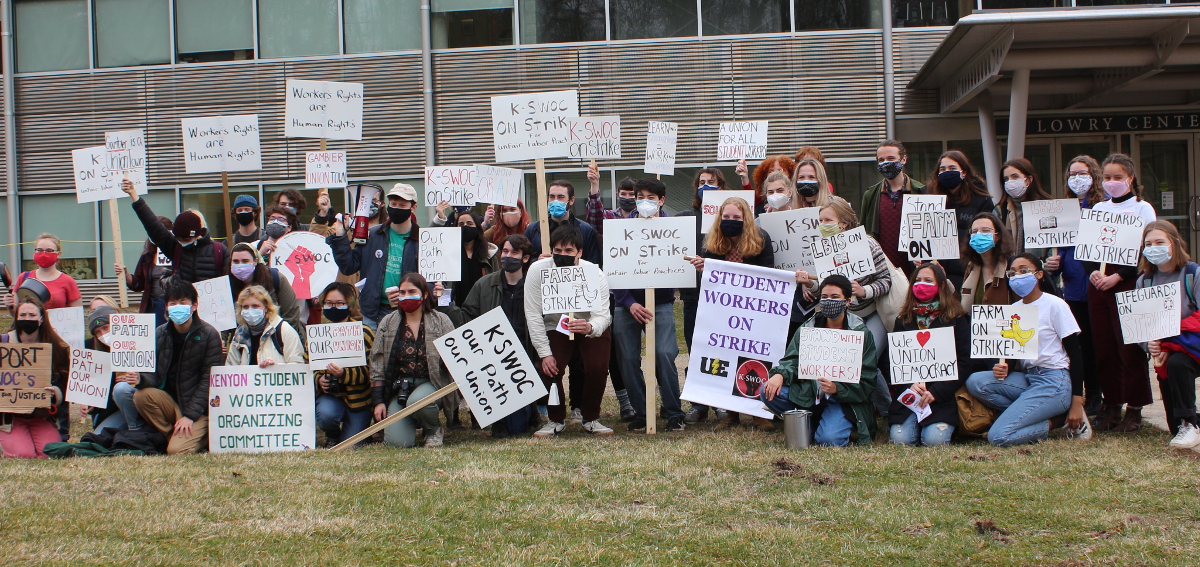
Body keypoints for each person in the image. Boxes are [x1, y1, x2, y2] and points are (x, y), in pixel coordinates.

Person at [966, 254, 1090, 447]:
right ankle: (1038, 414)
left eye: (1024, 271)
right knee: (976, 382)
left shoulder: (1055, 305)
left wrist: (1076, 401)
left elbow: (1076, 354)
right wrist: (1005, 367)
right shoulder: (1014, 308)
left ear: (1039, 274)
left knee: (998, 436)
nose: (1017, 276)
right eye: (1012, 273)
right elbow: (1016, 354)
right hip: (1029, 378)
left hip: (1055, 381)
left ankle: (1055, 421)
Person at [688, 195, 776, 431]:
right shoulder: (711, 241)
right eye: (726, 217)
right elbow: (710, 281)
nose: (730, 221)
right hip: (723, 310)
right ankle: (731, 413)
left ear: (746, 218)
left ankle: (758, 413)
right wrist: (703, 269)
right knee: (726, 357)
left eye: (736, 217)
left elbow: (769, 273)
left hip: (754, 309)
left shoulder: (761, 238)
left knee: (754, 360)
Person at [761, 275, 878, 446]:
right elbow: (793, 360)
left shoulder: (861, 334)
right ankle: (814, 420)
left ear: (847, 301)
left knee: (829, 441)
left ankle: (826, 424)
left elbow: (867, 381)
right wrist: (780, 375)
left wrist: (838, 388)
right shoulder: (808, 327)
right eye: (824, 297)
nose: (828, 301)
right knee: (768, 390)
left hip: (842, 400)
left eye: (835, 297)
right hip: (809, 394)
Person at [1087, 153, 1158, 432]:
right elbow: (1088, 247)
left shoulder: (1143, 209)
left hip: (1128, 281)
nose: (1112, 182)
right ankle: (1112, 404)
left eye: (1118, 177)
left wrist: (1119, 276)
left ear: (1130, 179)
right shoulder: (1098, 209)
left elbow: (1145, 249)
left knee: (1130, 347)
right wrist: (1093, 272)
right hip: (1099, 285)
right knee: (1104, 347)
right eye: (1107, 178)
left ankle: (1135, 408)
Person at [525, 226, 615, 437]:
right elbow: (533, 314)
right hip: (555, 325)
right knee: (549, 369)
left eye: (568, 251)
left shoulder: (595, 273)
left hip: (588, 324)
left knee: (597, 367)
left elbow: (604, 314)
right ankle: (555, 419)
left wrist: (591, 327)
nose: (562, 255)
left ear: (580, 253)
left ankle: (590, 417)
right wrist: (545, 354)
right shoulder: (537, 271)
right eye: (557, 251)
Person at [611, 179, 685, 433]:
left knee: (665, 355)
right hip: (626, 305)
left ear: (662, 200)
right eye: (640, 196)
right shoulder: (620, 227)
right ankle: (642, 412)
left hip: (661, 304)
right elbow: (615, 270)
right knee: (628, 358)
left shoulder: (674, 228)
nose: (644, 201)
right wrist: (629, 303)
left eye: (650, 197)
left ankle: (674, 411)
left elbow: (679, 268)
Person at [881, 263, 979, 446]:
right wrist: (910, 384)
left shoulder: (956, 318)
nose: (921, 284)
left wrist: (936, 392)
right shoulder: (903, 320)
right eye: (917, 280)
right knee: (901, 441)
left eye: (928, 280)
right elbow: (890, 361)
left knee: (934, 441)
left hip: (942, 396)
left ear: (941, 285)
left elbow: (965, 362)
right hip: (909, 397)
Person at [812, 196, 892, 416]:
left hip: (874, 313)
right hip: (845, 316)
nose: (823, 225)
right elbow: (822, 287)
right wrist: (809, 283)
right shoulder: (823, 249)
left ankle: (888, 412)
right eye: (820, 220)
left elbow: (886, 281)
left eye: (828, 220)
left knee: (867, 360)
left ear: (844, 223)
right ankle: (865, 410)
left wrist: (864, 291)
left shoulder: (868, 244)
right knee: (851, 363)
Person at [1044, 155, 1108, 415]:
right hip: (1072, 286)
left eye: (1082, 173)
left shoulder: (1104, 207)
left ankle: (1101, 395)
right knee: (1081, 345)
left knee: (1098, 343)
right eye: (1072, 174)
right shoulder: (1064, 209)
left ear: (1093, 176)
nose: (1077, 179)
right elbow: (1059, 245)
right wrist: (1052, 262)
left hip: (1096, 283)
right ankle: (1087, 393)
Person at [132, 280, 224, 455]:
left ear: (194, 306)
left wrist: (190, 416)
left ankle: (196, 437)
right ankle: (172, 435)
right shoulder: (159, 333)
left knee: (176, 451)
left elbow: (209, 380)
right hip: (172, 402)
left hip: (199, 408)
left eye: (183, 302)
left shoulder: (209, 334)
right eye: (172, 303)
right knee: (141, 395)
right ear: (166, 307)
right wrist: (140, 378)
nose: (177, 307)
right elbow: (155, 373)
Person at [462, 235, 538, 437]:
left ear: (525, 258)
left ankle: (530, 410)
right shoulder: (484, 285)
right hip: (493, 360)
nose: (507, 256)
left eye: (514, 253)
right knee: (502, 431)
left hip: (526, 359)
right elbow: (467, 316)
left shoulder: (535, 286)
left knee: (518, 429)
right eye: (505, 251)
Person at [369, 273, 456, 448]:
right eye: (402, 292)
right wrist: (378, 401)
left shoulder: (441, 321)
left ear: (424, 294)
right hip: (400, 387)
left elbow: (455, 355)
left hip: (431, 384)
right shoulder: (388, 322)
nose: (406, 296)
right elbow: (377, 362)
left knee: (418, 401)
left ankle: (433, 429)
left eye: (412, 291)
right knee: (396, 443)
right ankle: (415, 421)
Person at [328, 183, 422, 330]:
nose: (396, 208)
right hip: (373, 313)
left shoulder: (422, 240)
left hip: (410, 313)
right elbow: (348, 266)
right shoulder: (372, 235)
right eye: (393, 204)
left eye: (402, 205)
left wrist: (407, 295)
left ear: (413, 207)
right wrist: (340, 236)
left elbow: (430, 280)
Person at [679, 168, 733, 424]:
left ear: (722, 187)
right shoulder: (686, 218)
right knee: (696, 350)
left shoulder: (730, 220)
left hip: (722, 298)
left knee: (721, 351)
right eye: (702, 182)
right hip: (693, 296)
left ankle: (721, 403)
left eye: (711, 182)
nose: (706, 186)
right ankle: (698, 405)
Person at [1139, 221, 1200, 448]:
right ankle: (1185, 422)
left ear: (1174, 244)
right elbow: (1141, 324)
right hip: (1165, 352)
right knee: (1172, 427)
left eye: (1159, 242)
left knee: (1177, 364)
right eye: (1148, 243)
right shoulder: (1144, 281)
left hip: (1192, 347)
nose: (1154, 247)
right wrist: (1149, 345)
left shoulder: (1193, 274)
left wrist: (1168, 342)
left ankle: (1189, 423)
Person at [0, 297, 70, 458]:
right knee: (23, 454)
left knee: (50, 452)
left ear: (41, 318)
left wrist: (55, 393)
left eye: (32, 315)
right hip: (10, 418)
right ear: (16, 317)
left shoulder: (57, 348)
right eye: (22, 315)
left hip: (41, 415)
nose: (27, 319)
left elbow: (65, 383)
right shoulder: (4, 344)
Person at [122, 179, 228, 284]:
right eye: (179, 238)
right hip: (182, 300)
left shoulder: (219, 250)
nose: (182, 242)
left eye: (186, 238)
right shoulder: (176, 248)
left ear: (198, 234)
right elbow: (153, 225)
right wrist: (134, 196)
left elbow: (231, 281)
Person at [311, 282, 377, 446]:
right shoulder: (317, 334)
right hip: (331, 397)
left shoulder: (365, 333)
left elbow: (373, 371)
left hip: (359, 399)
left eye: (339, 303)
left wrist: (344, 374)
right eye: (329, 303)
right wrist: (319, 379)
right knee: (326, 415)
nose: (334, 307)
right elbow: (308, 367)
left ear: (350, 305)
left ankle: (360, 430)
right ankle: (332, 435)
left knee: (352, 444)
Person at [928, 151, 995, 289]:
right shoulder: (929, 199)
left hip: (968, 271)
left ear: (964, 172)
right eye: (942, 169)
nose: (947, 172)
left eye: (952, 168)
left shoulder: (982, 200)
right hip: (937, 271)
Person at [861, 140, 926, 276]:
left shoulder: (922, 191)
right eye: (881, 160)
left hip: (914, 269)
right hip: (883, 271)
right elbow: (864, 232)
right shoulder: (871, 195)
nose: (886, 163)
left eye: (891, 158)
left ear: (904, 159)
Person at [83, 306, 144, 435]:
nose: (103, 335)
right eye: (98, 332)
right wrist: (92, 404)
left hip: (145, 403)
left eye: (106, 328)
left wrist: (139, 378)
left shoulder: (141, 343)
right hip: (118, 410)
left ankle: (136, 432)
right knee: (99, 436)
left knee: (121, 388)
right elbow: (102, 396)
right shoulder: (98, 357)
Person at [225, 285, 306, 367]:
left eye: (255, 306)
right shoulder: (239, 335)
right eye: (245, 307)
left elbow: (297, 365)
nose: (250, 310)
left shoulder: (283, 329)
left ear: (266, 307)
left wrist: (275, 368)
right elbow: (231, 369)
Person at [523, 180, 601, 264]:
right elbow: (522, 261)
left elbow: (594, 263)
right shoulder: (533, 230)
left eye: (560, 197)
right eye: (552, 197)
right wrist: (537, 262)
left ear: (571, 200)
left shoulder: (586, 230)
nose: (555, 201)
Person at [118, 215, 174, 327]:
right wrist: (126, 275)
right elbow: (139, 283)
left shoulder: (180, 253)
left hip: (176, 304)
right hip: (155, 306)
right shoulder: (148, 256)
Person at [5, 233, 83, 311]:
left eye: (49, 250)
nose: (44, 254)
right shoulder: (24, 277)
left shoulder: (67, 281)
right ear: (34, 252)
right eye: (39, 250)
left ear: (58, 254)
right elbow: (16, 314)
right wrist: (9, 305)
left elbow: (76, 314)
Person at [960, 212, 1017, 308]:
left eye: (985, 231)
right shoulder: (971, 267)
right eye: (974, 231)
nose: (979, 234)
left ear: (997, 236)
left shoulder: (1012, 267)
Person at [998, 157, 1054, 254]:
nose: (1009, 182)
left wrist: (1051, 259)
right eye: (1006, 179)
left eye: (1015, 176)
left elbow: (1056, 242)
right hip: (1009, 267)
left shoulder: (1048, 207)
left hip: (1039, 266)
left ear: (1029, 180)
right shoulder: (1000, 210)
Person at [451, 210, 497, 307]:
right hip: (456, 311)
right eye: (461, 224)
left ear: (477, 227)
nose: (465, 227)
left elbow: (497, 285)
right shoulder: (449, 256)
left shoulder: (489, 255)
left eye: (469, 223)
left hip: (482, 310)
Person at [585, 166, 639, 235]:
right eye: (623, 194)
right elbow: (596, 217)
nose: (627, 197)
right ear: (617, 196)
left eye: (631, 194)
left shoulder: (643, 217)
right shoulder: (610, 217)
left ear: (638, 197)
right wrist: (594, 184)